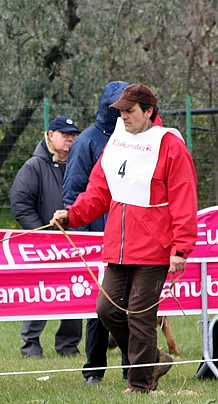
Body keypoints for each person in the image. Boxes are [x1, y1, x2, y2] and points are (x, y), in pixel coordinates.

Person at [52, 83, 198, 393]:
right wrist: (73, 214)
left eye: (129, 111)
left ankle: (141, 384)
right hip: (118, 246)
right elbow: (99, 192)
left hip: (155, 249)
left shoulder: (170, 145)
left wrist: (181, 249)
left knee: (140, 316)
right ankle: (153, 359)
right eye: (120, 111)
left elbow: (185, 198)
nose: (123, 117)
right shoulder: (116, 143)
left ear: (148, 111)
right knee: (107, 310)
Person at [62, 81, 131, 385]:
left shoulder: (137, 140)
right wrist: (86, 235)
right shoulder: (87, 142)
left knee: (134, 308)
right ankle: (94, 369)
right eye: (118, 106)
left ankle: (135, 367)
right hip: (97, 237)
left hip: (132, 237)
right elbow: (74, 193)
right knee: (99, 310)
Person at [10, 116, 83, 358]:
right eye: (65, 134)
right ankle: (30, 346)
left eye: (73, 135)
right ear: (50, 135)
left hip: (75, 242)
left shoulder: (79, 163)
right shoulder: (34, 166)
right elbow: (20, 203)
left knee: (75, 292)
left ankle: (69, 345)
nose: (70, 139)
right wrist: (42, 234)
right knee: (39, 293)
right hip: (44, 245)